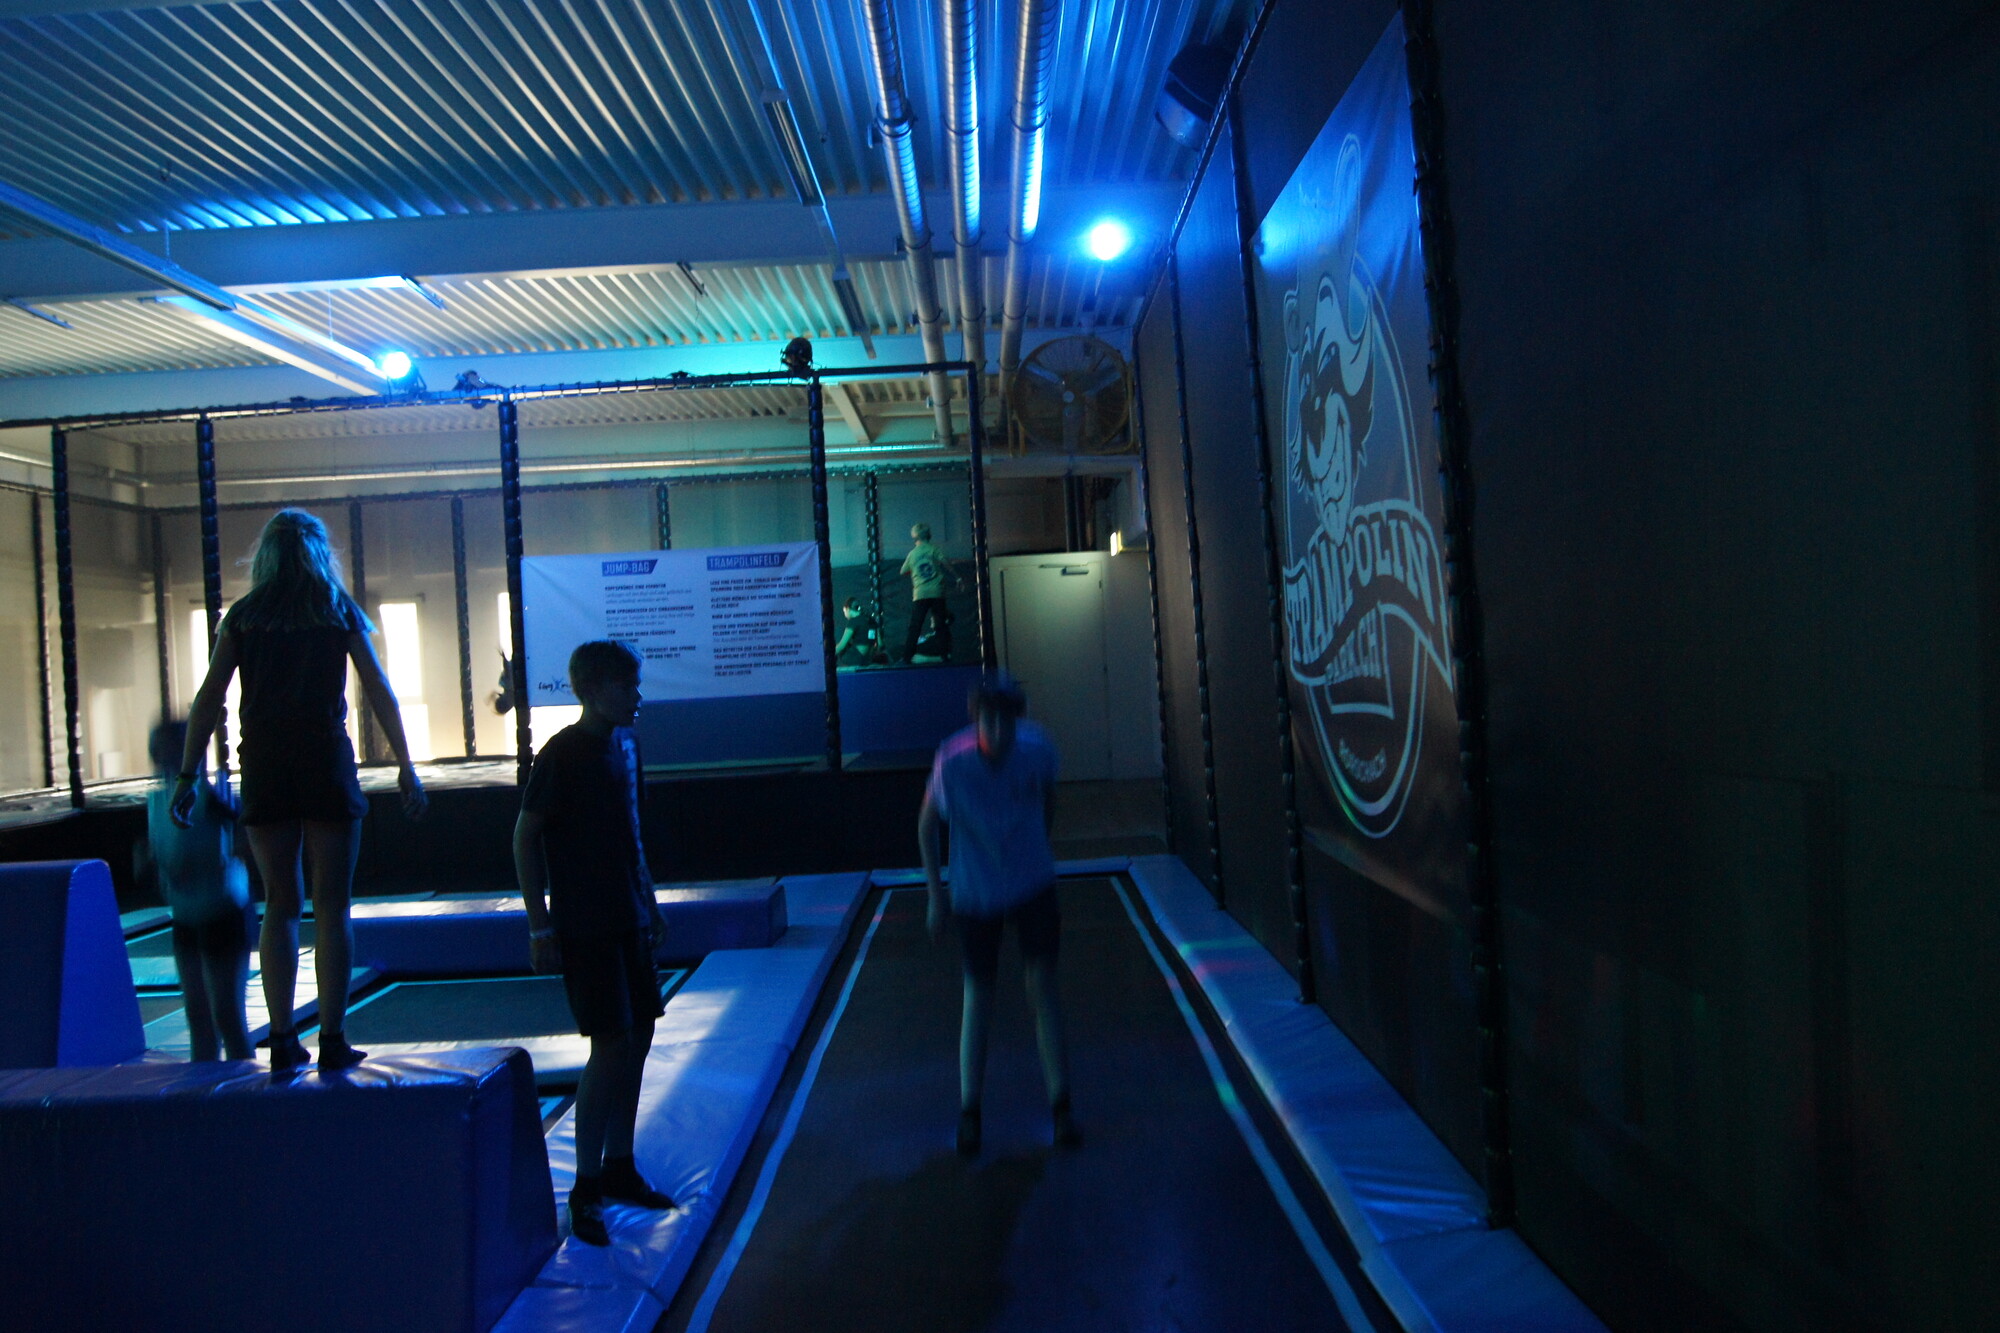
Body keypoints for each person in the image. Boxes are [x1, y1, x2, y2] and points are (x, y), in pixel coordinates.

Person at [173, 508, 428, 1073]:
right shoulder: (336, 609)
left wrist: (189, 774)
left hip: (266, 766)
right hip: (324, 761)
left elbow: (210, 696)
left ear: (266, 556)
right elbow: (378, 689)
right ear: (319, 554)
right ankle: (333, 1037)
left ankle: (283, 1035)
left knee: (280, 904)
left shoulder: (245, 617)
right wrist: (406, 765)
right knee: (333, 906)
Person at [514, 639, 676, 1246]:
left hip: (629, 917)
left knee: (640, 1037)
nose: (637, 695)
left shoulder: (626, 746)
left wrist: (649, 903)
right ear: (593, 689)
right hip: (586, 925)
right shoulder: (562, 753)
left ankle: (619, 1165)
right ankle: (584, 1185)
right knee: (610, 1046)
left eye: (636, 684)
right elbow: (524, 838)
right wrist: (540, 925)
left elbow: (631, 832)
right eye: (626, 686)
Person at [918, 671, 1077, 1157]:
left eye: (1006, 720)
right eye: (989, 719)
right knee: (979, 993)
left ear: (1017, 719)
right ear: (976, 718)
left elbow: (1049, 799)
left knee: (1042, 986)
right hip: (976, 890)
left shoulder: (1037, 749)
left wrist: (1037, 850)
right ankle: (970, 1109)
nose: (998, 729)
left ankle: (1061, 1105)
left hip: (1031, 882)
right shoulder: (953, 761)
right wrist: (935, 894)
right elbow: (927, 823)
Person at [141, 719, 255, 1063]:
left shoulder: (210, 795)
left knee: (227, 1016)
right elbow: (162, 860)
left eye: (173, 753)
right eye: (161, 754)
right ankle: (205, 1087)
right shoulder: (158, 800)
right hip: (187, 918)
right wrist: (149, 863)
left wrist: (230, 837)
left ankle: (244, 1086)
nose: (165, 760)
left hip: (224, 913)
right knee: (198, 1017)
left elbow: (244, 833)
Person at [899, 523, 960, 663]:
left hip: (920, 593)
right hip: (937, 591)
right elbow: (945, 562)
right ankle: (944, 655)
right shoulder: (934, 549)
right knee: (940, 624)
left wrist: (914, 570)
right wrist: (958, 577)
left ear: (915, 537)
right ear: (928, 536)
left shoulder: (912, 554)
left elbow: (903, 571)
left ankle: (907, 657)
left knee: (915, 625)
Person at [834, 596, 885, 666]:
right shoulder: (872, 621)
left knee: (839, 634)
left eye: (844, 612)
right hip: (868, 658)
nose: (845, 615)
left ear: (847, 609)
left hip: (856, 658)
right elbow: (880, 644)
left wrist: (827, 655)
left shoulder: (853, 621)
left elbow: (842, 645)